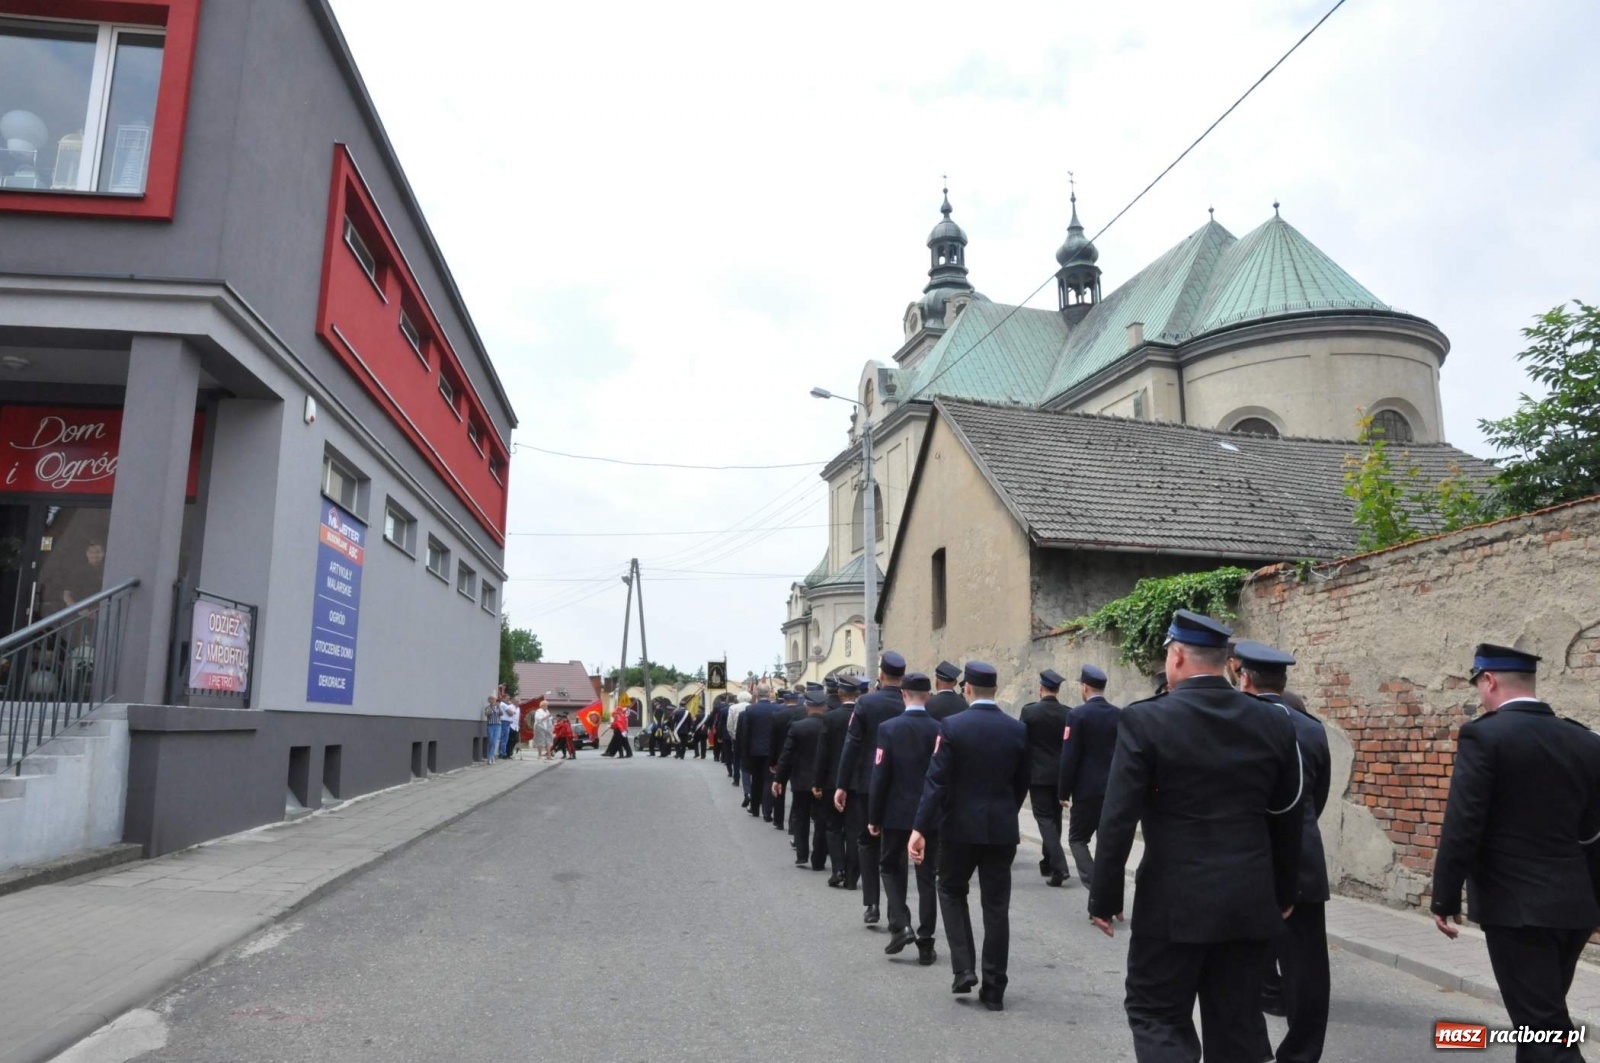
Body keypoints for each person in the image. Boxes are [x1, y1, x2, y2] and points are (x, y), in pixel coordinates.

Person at [1089, 609, 1304, 1063]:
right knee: (1238, 1025)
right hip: (1248, 899)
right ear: (1227, 661)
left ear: (1179, 655)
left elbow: (1118, 819)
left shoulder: (1145, 721)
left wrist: (1104, 896)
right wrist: (1283, 890)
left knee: (1157, 1015)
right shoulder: (1274, 722)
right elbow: (1287, 814)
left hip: (1172, 902)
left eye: (1168, 653)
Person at [1430, 643, 1600, 1063]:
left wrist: (1445, 898)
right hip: (1574, 906)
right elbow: (1594, 832)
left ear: (1489, 680)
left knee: (1546, 1032)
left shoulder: (1484, 735)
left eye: (1479, 685)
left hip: (1516, 910)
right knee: (1538, 1023)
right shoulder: (1585, 740)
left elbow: (1463, 824)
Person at [1229, 640, 1330, 1063]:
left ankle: (1252, 1050)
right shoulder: (1311, 727)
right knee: (1306, 972)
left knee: (1238, 970)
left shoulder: (1236, 722)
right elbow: (1317, 795)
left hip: (1245, 861)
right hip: (1302, 861)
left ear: (1244, 676)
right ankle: (1301, 1055)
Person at [909, 661, 1029, 1011]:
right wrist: (1005, 810)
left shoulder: (953, 726)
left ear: (968, 689)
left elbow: (936, 782)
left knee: (949, 889)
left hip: (959, 828)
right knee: (996, 907)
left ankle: (963, 968)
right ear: (995, 689)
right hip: (1002, 830)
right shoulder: (1017, 729)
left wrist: (919, 828)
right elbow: (1021, 784)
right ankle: (995, 988)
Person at [868, 672, 943, 966]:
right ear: (928, 696)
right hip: (928, 815)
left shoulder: (888, 729)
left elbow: (880, 774)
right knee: (927, 877)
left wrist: (874, 815)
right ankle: (926, 942)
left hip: (895, 813)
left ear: (903, 695)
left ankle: (901, 922)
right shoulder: (939, 728)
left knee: (889, 867)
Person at [837, 651, 907, 925]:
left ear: (881, 674)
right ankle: (895, 909)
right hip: (902, 786)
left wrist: (842, 784)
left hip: (868, 784)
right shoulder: (910, 701)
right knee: (896, 847)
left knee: (867, 841)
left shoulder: (866, 702)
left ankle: (872, 903)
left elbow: (851, 743)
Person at [1057, 664, 1119, 886]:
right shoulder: (1118, 714)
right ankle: (1110, 891)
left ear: (1084, 687)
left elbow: (1069, 756)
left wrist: (1063, 791)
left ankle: (1096, 888)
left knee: (1077, 839)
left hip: (1086, 791)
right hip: (1113, 789)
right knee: (1107, 844)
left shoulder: (1077, 715)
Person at [1020, 668, 1072, 887]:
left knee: (1044, 819)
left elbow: (1021, 742)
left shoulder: (1030, 712)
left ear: (1040, 688)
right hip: (1060, 774)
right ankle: (1048, 862)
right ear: (1058, 689)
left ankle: (1059, 865)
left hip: (1038, 775)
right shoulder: (1068, 713)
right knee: (1055, 818)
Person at [773, 683, 830, 871]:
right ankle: (819, 858)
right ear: (824, 706)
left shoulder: (798, 727)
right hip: (825, 781)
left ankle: (802, 854)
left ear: (807, 706)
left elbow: (787, 755)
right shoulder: (832, 725)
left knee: (800, 816)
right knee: (822, 820)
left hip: (801, 780)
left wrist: (778, 779)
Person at [819, 677, 861, 888]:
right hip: (858, 782)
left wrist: (817, 781)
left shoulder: (831, 718)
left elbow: (823, 753)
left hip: (832, 781)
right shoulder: (864, 716)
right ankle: (852, 877)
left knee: (834, 827)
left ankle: (838, 870)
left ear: (840, 694)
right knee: (854, 829)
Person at [742, 685, 778, 820]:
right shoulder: (777, 708)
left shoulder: (750, 709)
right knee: (769, 780)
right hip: (771, 751)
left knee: (756, 780)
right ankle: (767, 812)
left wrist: (745, 753)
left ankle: (755, 808)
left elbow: (746, 733)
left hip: (754, 750)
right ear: (769, 694)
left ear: (756, 694)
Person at [728, 692, 751, 790]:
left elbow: (730, 724)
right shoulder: (752, 706)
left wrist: (733, 736)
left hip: (737, 736)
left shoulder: (733, 708)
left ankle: (736, 779)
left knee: (736, 758)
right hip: (750, 736)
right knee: (748, 758)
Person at [499, 694, 520, 760]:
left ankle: (508, 752)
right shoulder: (507, 706)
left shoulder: (518, 708)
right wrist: (512, 714)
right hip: (508, 724)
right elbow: (510, 714)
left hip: (514, 725)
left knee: (515, 739)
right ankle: (504, 753)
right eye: (507, 698)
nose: (508, 700)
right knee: (505, 739)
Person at [483, 695, 503, 764]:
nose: (493, 701)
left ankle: (491, 757)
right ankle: (491, 757)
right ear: (489, 701)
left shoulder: (498, 707)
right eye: (491, 699)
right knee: (491, 741)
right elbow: (486, 714)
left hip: (498, 725)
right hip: (490, 725)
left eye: (494, 699)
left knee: (494, 742)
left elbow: (501, 714)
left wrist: (499, 708)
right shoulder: (487, 708)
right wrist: (491, 710)